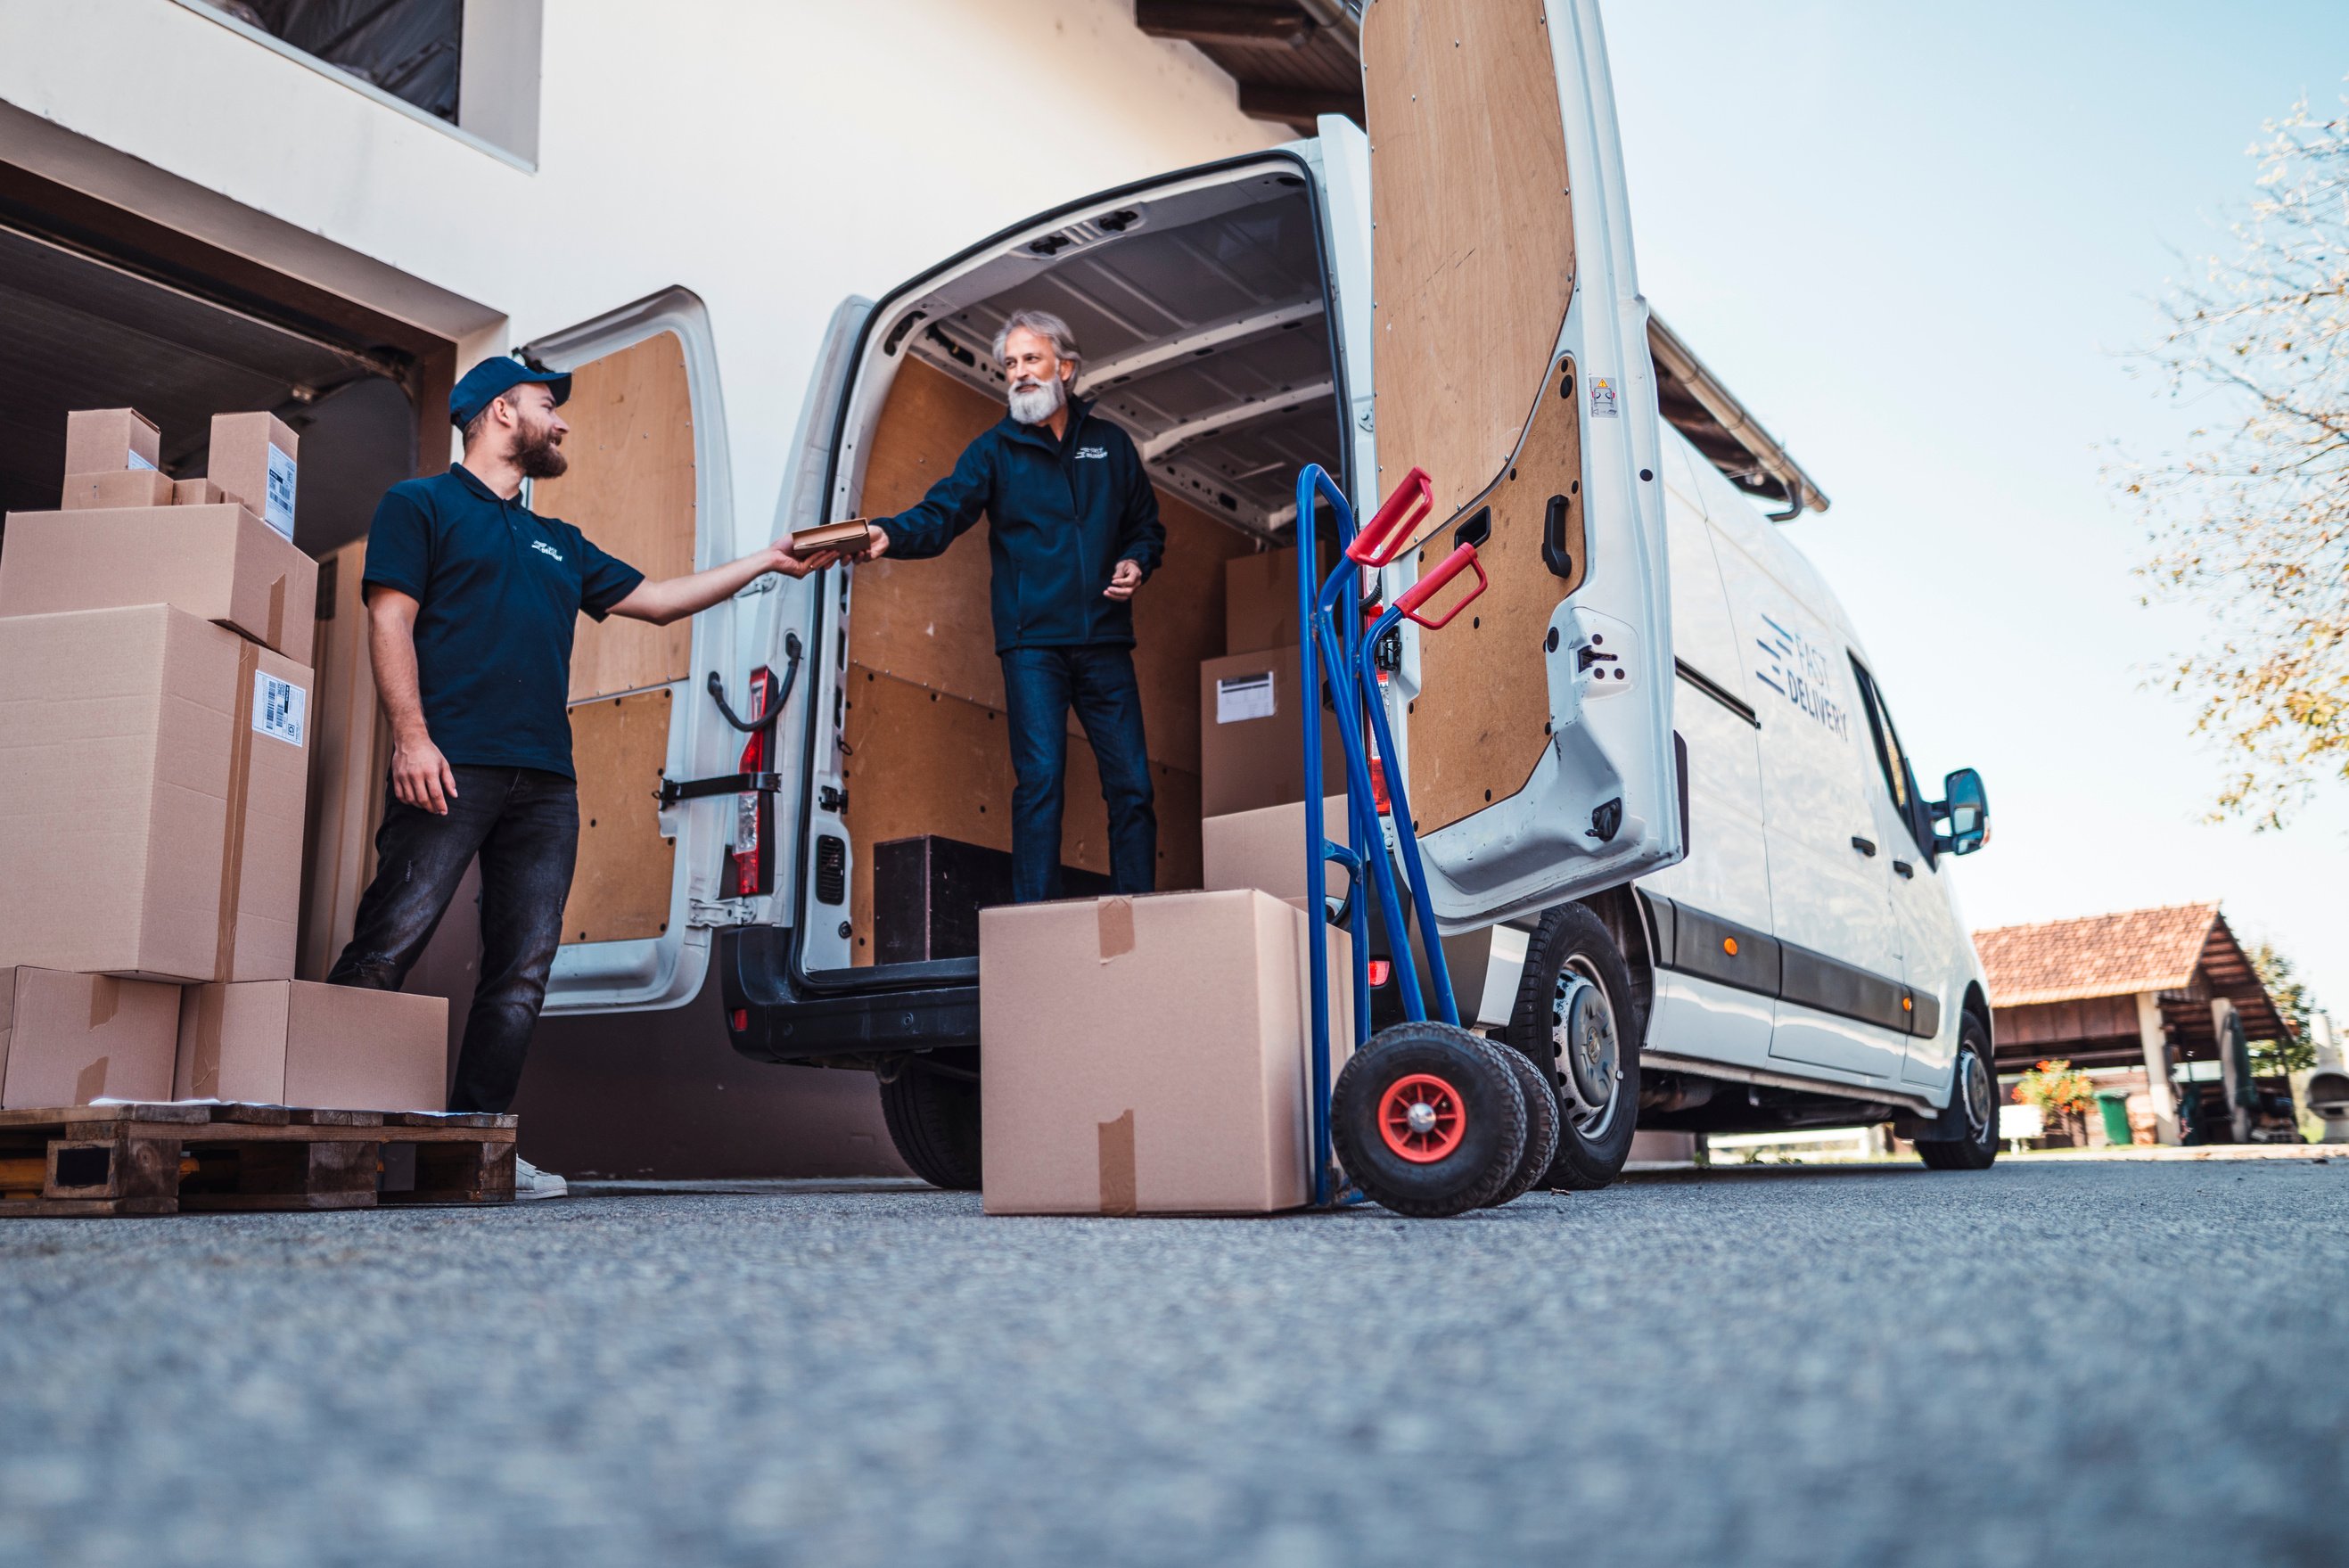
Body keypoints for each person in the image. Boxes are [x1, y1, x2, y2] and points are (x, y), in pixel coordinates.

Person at [327, 356, 843, 1198]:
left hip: (546, 785)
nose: (562, 423)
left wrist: (769, 561)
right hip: (450, 765)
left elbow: (664, 598)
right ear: (501, 412)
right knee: (388, 944)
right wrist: (410, 738)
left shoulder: (557, 542)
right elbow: (392, 618)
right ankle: (326, 1137)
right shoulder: (417, 505)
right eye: (547, 406)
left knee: (522, 974)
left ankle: (477, 1149)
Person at [865, 309, 1165, 902]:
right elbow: (941, 513)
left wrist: (1136, 561)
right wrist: (887, 534)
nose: (1019, 373)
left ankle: (1140, 911)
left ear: (1066, 367)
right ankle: (1036, 920)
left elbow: (1145, 527)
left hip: (1105, 642)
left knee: (1131, 785)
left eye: (1031, 359)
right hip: (1032, 646)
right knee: (1041, 784)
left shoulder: (1110, 446)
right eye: (1009, 363)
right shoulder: (993, 451)